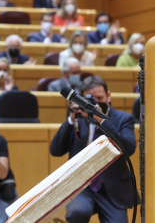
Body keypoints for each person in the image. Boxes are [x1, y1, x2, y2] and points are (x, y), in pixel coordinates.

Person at [50, 76, 137, 223]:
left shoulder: (124, 119)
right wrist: (71, 120)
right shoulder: (77, 119)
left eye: (99, 97)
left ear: (108, 96)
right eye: (91, 99)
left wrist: (101, 120)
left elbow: (128, 148)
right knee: (78, 212)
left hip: (112, 189)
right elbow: (55, 150)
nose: (96, 102)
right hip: (81, 187)